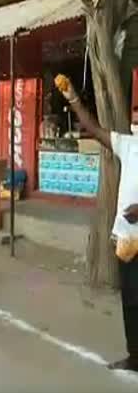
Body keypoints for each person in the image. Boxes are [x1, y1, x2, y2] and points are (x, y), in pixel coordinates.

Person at [59, 77, 138, 372]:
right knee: (130, 303)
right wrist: (72, 97)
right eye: (134, 113)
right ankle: (135, 355)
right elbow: (92, 128)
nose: (135, 119)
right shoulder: (128, 144)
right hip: (126, 240)